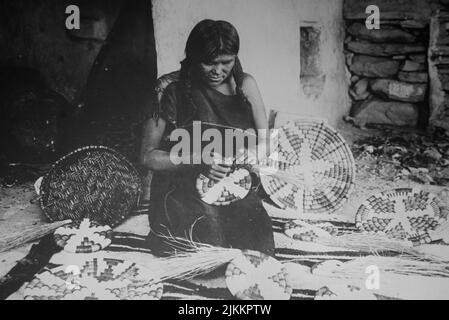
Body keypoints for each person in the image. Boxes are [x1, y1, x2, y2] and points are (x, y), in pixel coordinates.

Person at [140, 19, 275, 257]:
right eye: (209, 62)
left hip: (232, 186)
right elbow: (148, 157)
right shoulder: (168, 87)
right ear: (192, 57)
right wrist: (198, 159)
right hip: (181, 188)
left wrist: (253, 154)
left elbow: (266, 142)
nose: (218, 71)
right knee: (209, 247)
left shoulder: (245, 85)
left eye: (227, 62)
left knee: (259, 247)